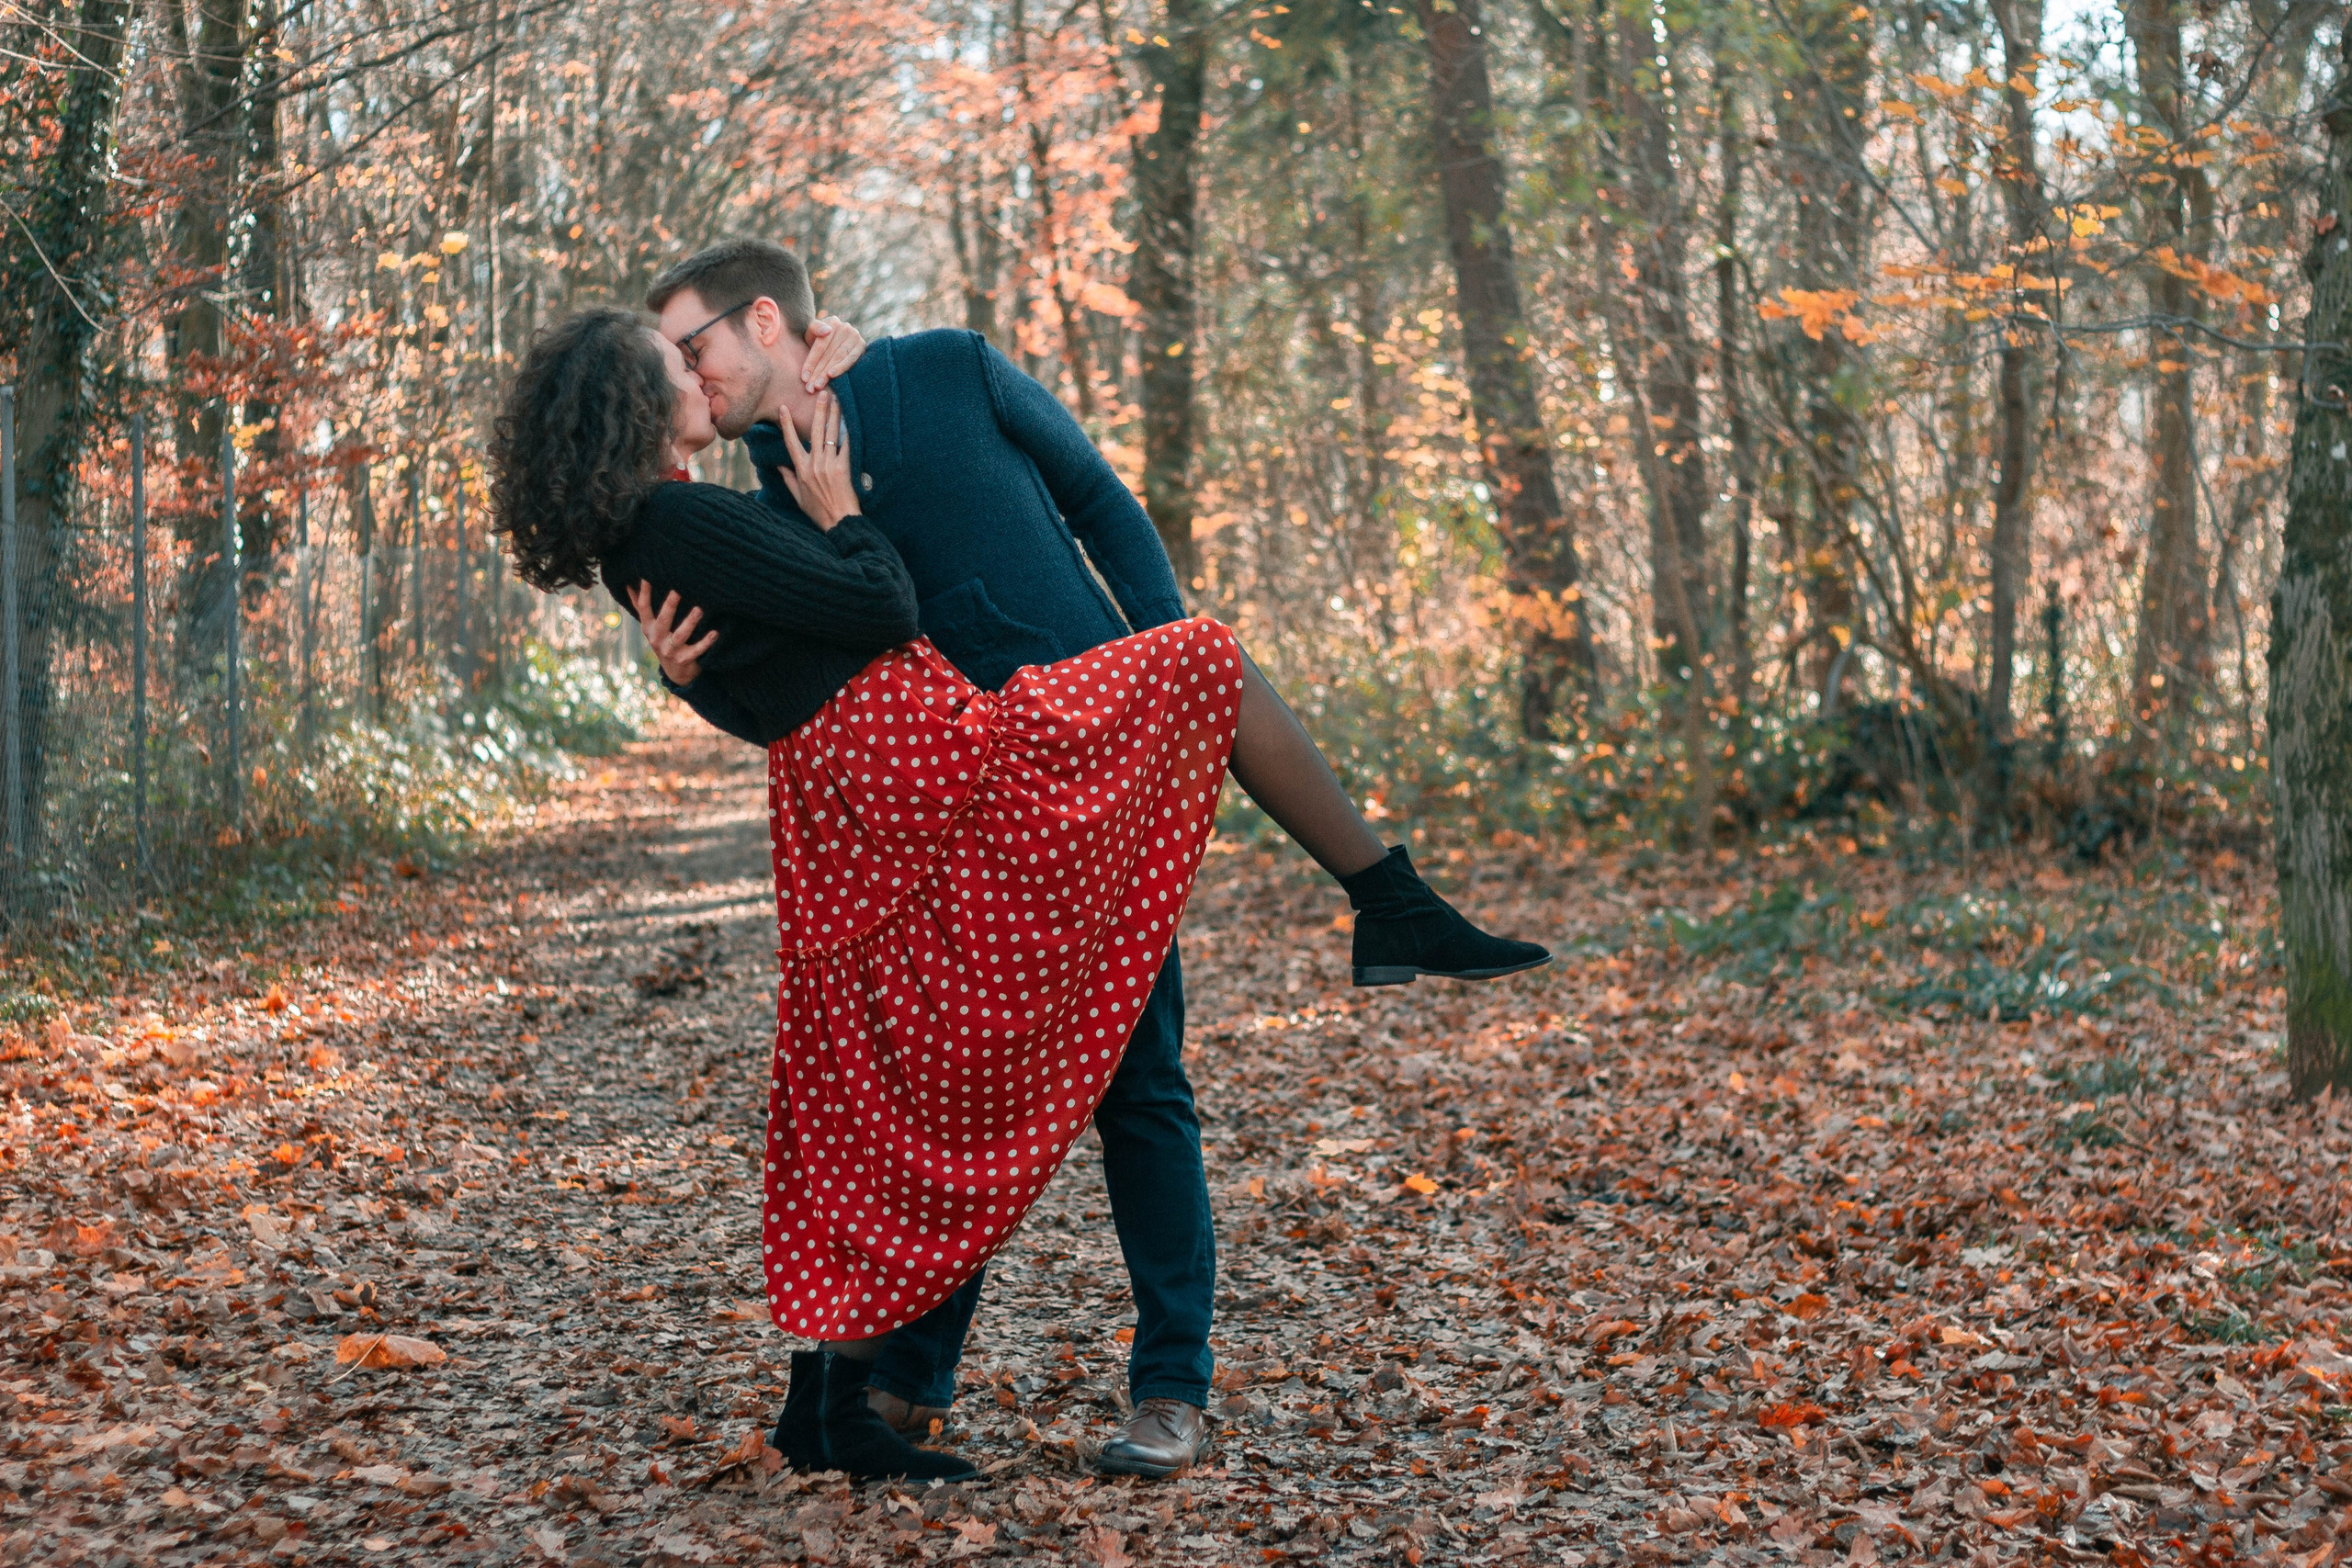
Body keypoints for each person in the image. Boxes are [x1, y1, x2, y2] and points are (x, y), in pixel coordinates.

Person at [488, 305, 1550, 1482]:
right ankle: (1384, 894)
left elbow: (1081, 505)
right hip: (957, 779)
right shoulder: (736, 498)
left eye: (697, 348)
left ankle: (1094, 1387)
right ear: (639, 412)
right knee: (981, 1065)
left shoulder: (916, 382)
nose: (693, 375)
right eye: (671, 368)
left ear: (768, 322)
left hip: (981, 785)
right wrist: (828, 530)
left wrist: (1154, 727)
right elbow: (834, 642)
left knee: (1074, 1079)